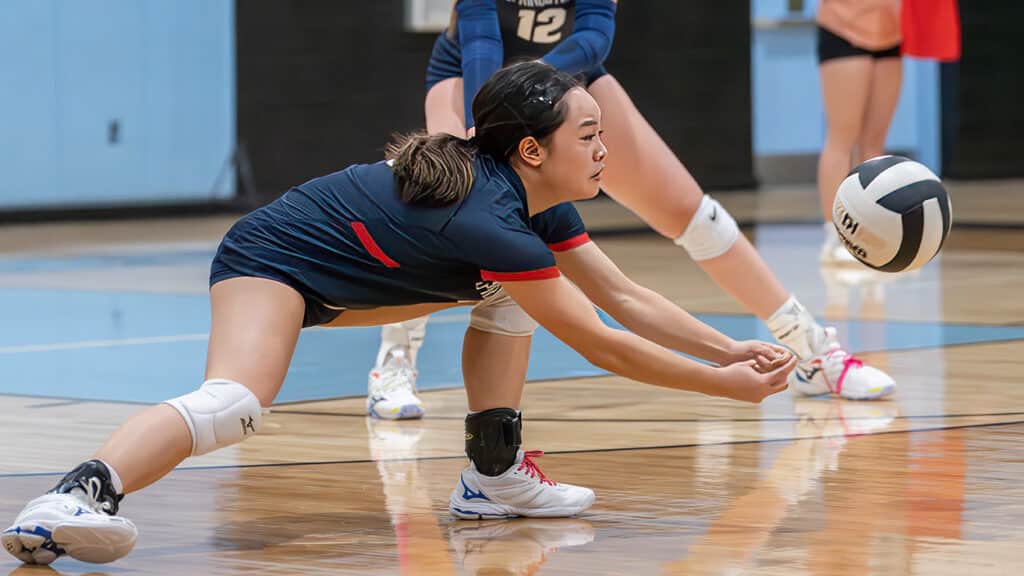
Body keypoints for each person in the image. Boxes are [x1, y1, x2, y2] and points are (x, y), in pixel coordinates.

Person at [2, 62, 798, 566]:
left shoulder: (533, 197)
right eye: (589, 135)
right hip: (274, 262)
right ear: (531, 149)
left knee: (512, 302)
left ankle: (492, 479)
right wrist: (729, 390)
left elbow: (624, 297)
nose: (604, 151)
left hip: (361, 280)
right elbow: (601, 341)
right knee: (234, 405)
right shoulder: (489, 216)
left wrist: (731, 347)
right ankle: (76, 496)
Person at [365, 0, 895, 420]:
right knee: (446, 211)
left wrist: (540, 89)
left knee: (693, 213)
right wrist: (493, 114)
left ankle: (812, 352)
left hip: (569, 79)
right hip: (471, 80)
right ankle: (394, 363)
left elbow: (595, 36)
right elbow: (479, 34)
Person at [815, 0, 903, 264]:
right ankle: (835, 234)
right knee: (842, 138)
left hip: (890, 34)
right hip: (844, 30)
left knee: (874, 144)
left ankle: (873, 233)